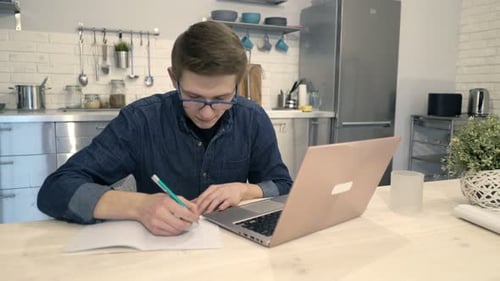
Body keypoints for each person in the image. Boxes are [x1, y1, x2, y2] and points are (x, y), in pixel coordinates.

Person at [37, 21, 293, 236]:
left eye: (221, 99)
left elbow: (283, 184)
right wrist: (139, 206)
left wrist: (245, 189)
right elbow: (55, 190)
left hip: (232, 253)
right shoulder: (141, 121)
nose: (207, 112)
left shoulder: (252, 118)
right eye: (193, 96)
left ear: (237, 85)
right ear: (174, 78)